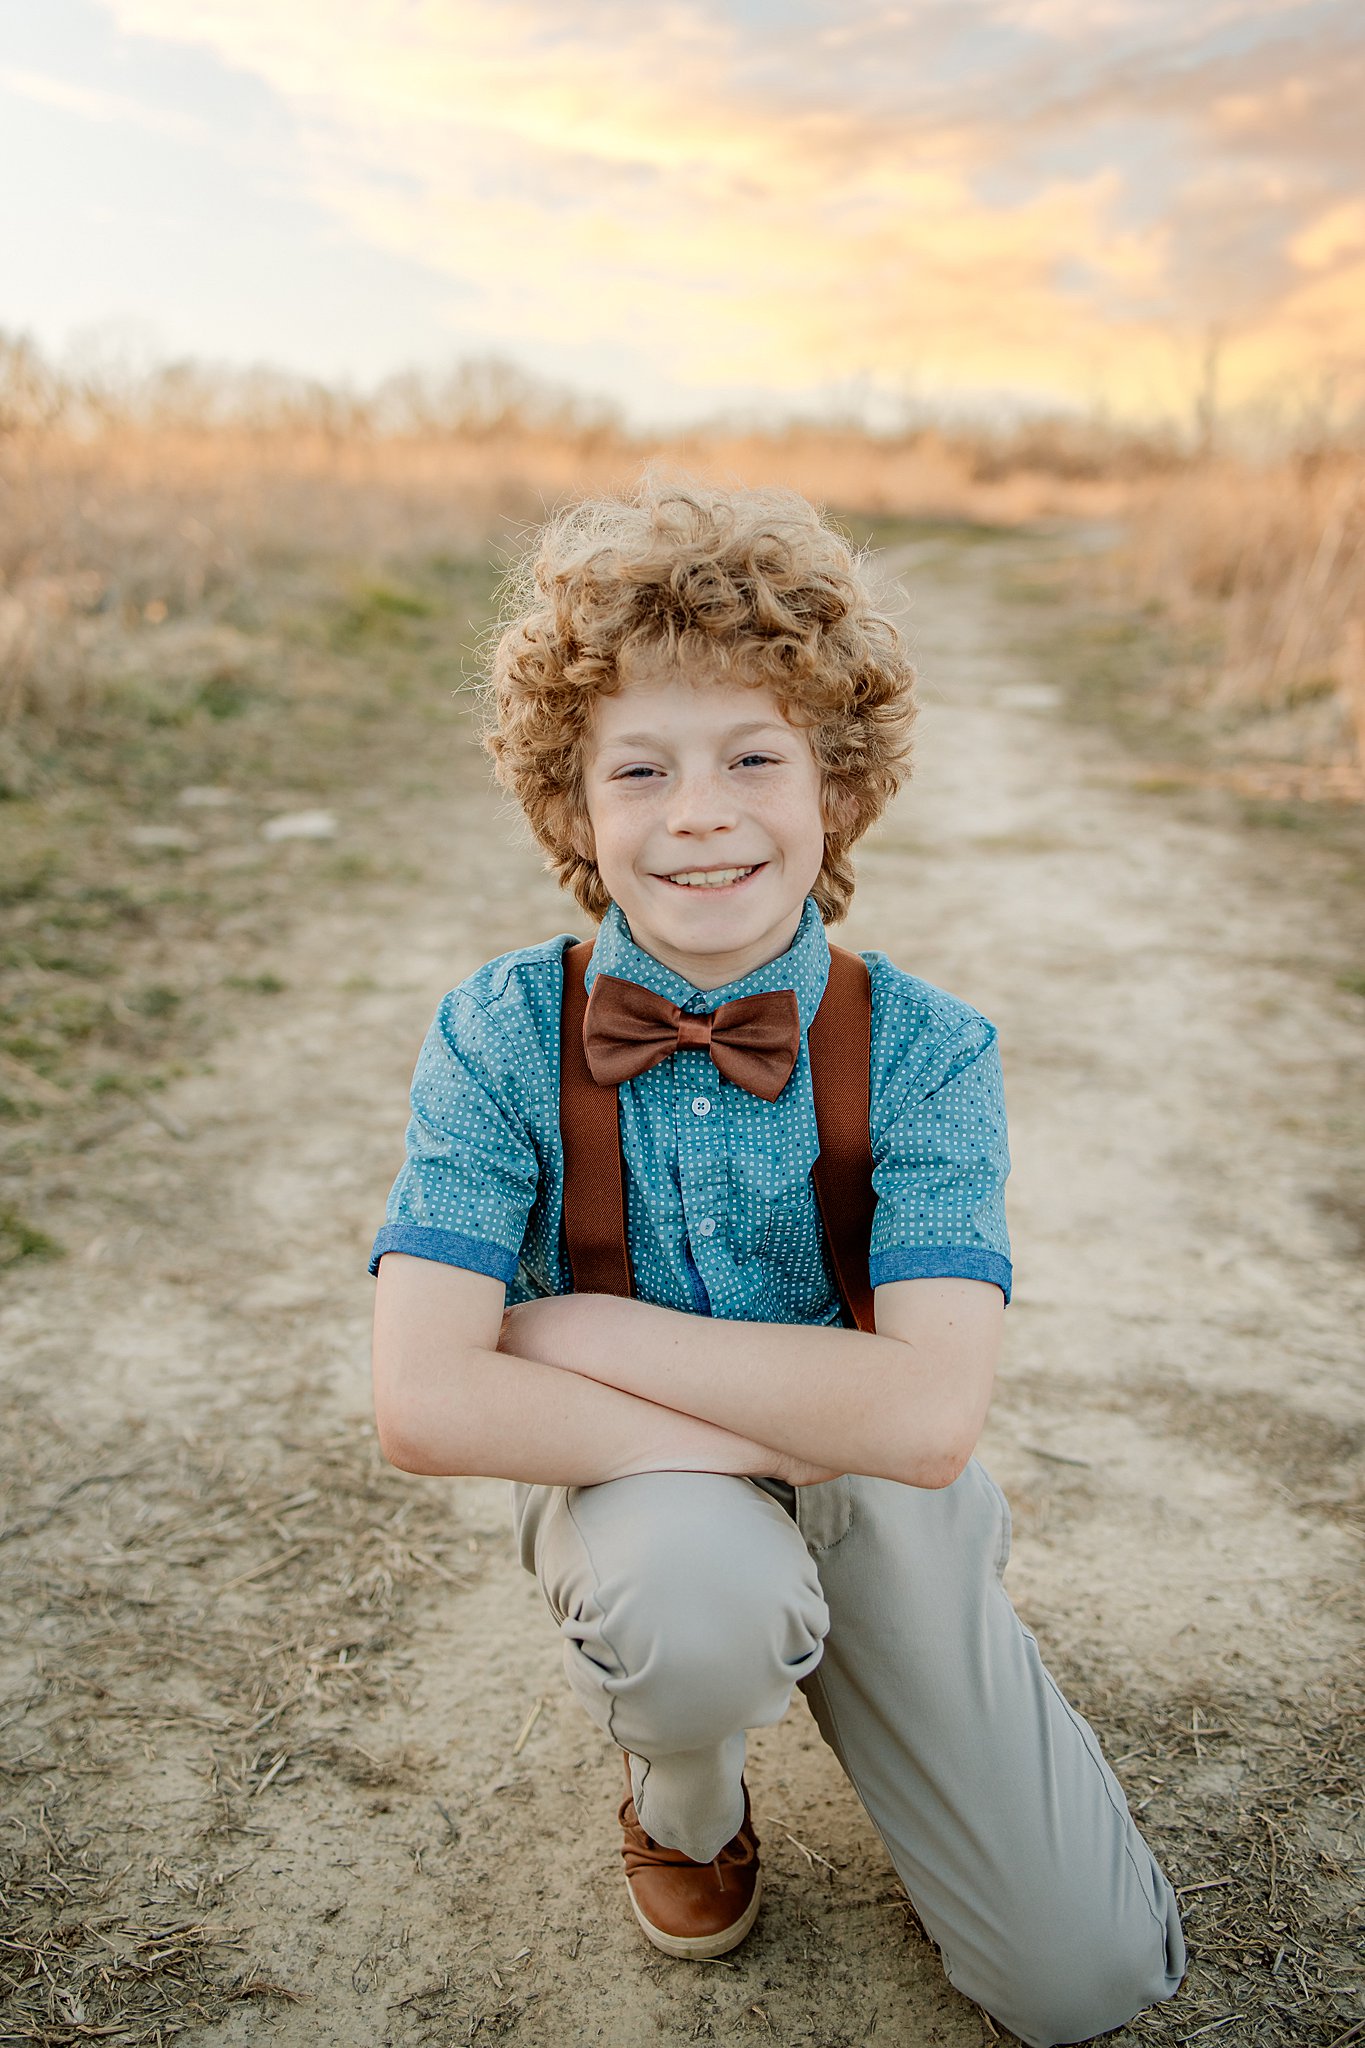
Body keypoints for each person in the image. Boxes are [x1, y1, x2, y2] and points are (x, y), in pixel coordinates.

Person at [368, 477, 1185, 2048]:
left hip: (882, 1498)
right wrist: (810, 1417)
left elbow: (925, 1429)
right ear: (573, 805)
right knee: (694, 1585)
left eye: (754, 755)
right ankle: (684, 1796)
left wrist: (556, 1330)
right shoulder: (499, 1026)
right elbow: (425, 1407)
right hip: (635, 1494)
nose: (700, 813)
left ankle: (898, 1651)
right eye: (641, 768)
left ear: (837, 784)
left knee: (1081, 1985)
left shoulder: (933, 1050)